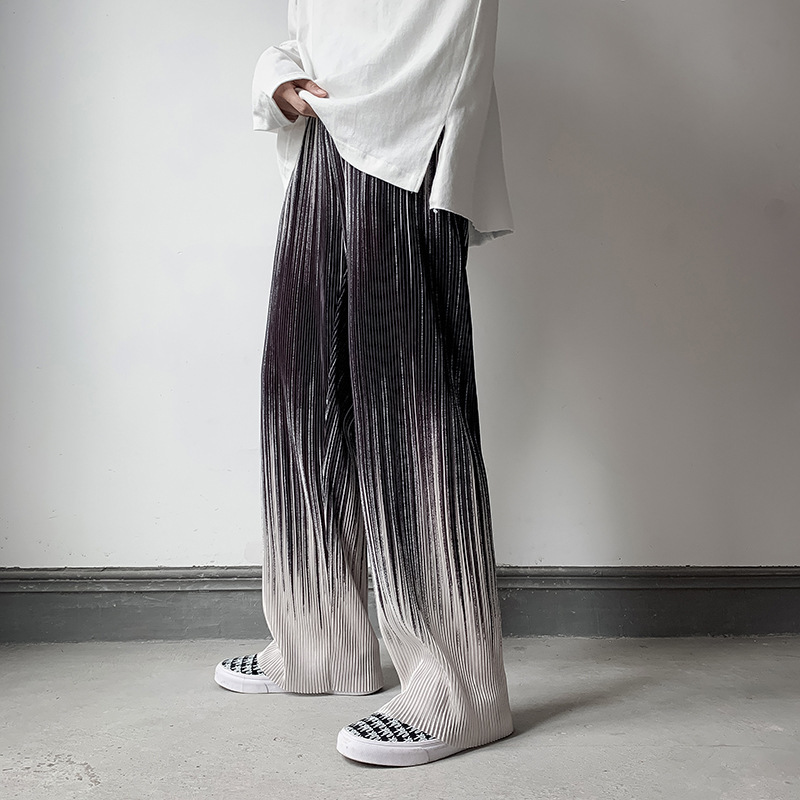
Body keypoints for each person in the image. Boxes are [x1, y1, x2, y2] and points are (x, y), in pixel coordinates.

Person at [214, 0, 516, 767]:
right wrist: (282, 76)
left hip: (405, 125)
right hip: (327, 129)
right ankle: (321, 639)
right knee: (301, 387)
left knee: (407, 401)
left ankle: (457, 689)